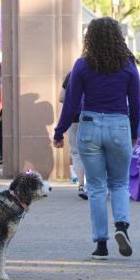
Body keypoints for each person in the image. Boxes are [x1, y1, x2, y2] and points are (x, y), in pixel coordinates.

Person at [53, 17, 140, 259]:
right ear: (118, 37)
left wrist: (59, 132)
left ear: (89, 38)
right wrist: (135, 133)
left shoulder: (82, 65)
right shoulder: (128, 66)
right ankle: (121, 226)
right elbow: (136, 104)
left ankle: (100, 244)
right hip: (119, 125)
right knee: (120, 183)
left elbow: (71, 104)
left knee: (96, 187)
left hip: (89, 124)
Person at [59, 71, 87, 199]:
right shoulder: (97, 72)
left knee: (76, 153)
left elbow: (61, 98)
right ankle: (94, 185)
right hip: (89, 119)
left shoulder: (70, 75)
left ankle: (81, 184)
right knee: (93, 152)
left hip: (73, 119)